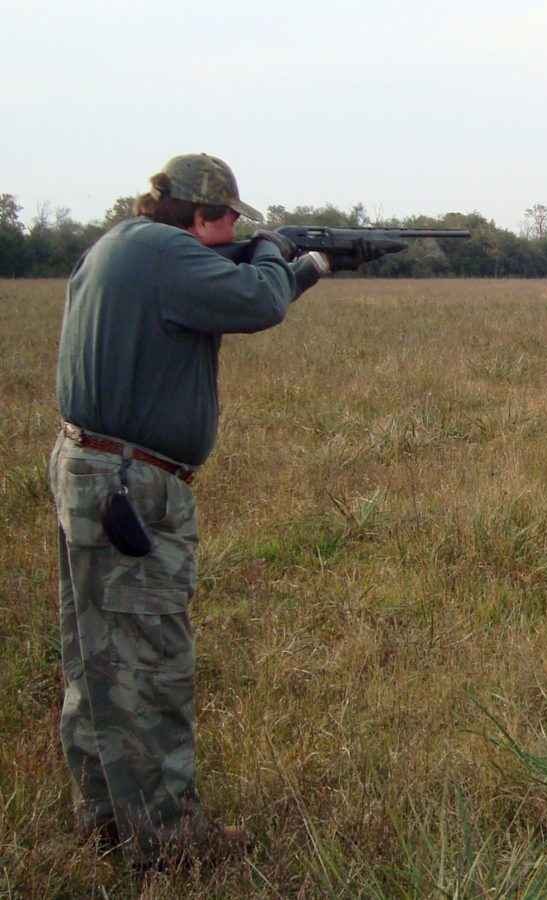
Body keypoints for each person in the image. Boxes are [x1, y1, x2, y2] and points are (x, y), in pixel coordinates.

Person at [48, 153, 358, 868]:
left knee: (97, 661)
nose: (228, 231)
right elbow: (258, 303)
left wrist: (295, 266)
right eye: (226, 221)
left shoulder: (118, 246)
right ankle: (168, 841)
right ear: (202, 217)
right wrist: (282, 256)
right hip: (131, 485)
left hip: (87, 469)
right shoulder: (168, 255)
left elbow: (234, 298)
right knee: (150, 664)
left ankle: (105, 820)